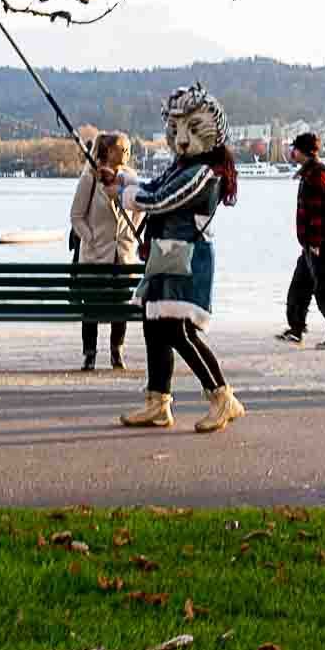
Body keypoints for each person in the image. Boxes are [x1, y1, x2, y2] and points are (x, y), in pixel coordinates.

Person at [120, 85, 245, 433]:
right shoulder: (182, 167)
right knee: (154, 328)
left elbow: (160, 199)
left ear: (214, 131)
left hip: (187, 261)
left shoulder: (205, 174)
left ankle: (222, 398)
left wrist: (126, 192)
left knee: (178, 330)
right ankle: (157, 402)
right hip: (164, 257)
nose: (183, 140)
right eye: (176, 131)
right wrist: (123, 180)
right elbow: (153, 187)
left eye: (193, 128)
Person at [70, 132, 138, 371]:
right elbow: (76, 216)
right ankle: (89, 353)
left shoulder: (130, 178)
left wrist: (131, 233)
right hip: (96, 254)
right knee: (92, 306)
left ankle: (116, 351)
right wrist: (91, 238)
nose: (126, 153)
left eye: (128, 149)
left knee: (121, 305)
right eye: (121, 148)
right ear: (108, 151)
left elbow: (140, 207)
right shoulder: (90, 178)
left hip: (122, 254)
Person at [278, 131, 325, 348]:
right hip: (311, 244)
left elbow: (320, 212)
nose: (293, 152)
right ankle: (296, 329)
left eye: (296, 149)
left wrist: (316, 243)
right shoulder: (310, 173)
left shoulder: (318, 175)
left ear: (305, 152)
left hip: (321, 244)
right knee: (300, 287)